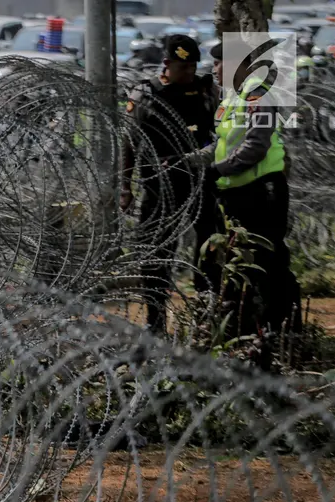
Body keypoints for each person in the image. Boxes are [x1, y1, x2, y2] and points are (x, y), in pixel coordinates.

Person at [182, 41, 303, 367]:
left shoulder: (258, 93)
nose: (216, 69)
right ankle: (252, 337)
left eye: (220, 63)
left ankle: (283, 337)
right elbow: (222, 143)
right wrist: (187, 162)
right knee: (243, 265)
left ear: (238, 64)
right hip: (236, 193)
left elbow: (257, 146)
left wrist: (215, 171)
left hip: (260, 192)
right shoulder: (232, 97)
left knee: (267, 263)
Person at [121, 35, 221, 334]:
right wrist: (125, 187)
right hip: (159, 185)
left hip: (200, 180)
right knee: (156, 253)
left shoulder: (205, 90)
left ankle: (206, 314)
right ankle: (156, 320)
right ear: (167, 64)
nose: (188, 73)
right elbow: (129, 142)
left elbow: (219, 129)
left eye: (192, 66)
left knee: (208, 248)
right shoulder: (146, 94)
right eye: (182, 67)